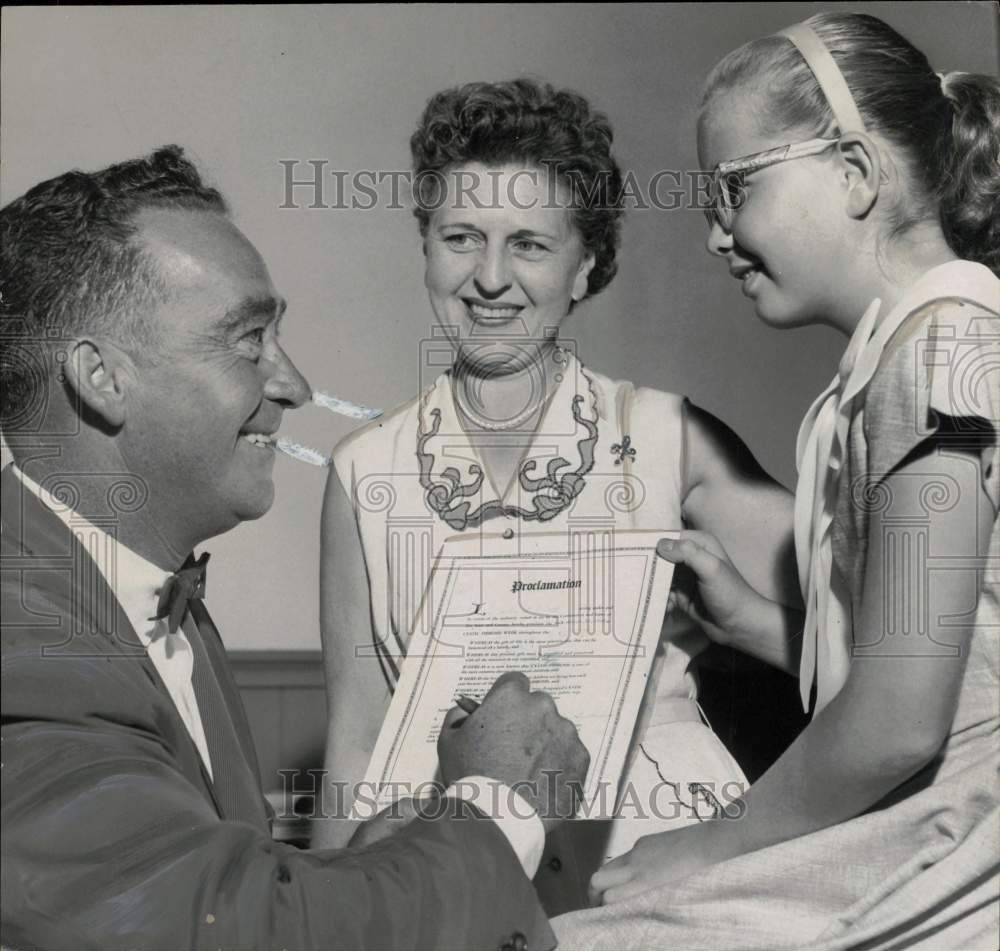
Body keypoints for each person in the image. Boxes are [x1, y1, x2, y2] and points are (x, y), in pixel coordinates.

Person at [0, 145, 592, 951]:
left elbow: (204, 890)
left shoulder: (142, 594)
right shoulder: (24, 641)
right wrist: (500, 803)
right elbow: (245, 931)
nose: (295, 386)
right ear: (101, 377)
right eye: (249, 341)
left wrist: (389, 854)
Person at [555, 12, 999, 949]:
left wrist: (710, 842)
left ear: (855, 171)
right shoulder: (916, 350)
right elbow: (938, 656)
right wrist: (756, 622)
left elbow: (898, 724)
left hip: (952, 852)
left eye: (736, 189)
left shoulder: (941, 350)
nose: (717, 236)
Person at [316, 78, 801, 912]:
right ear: (425, 245)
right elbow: (356, 745)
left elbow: (878, 647)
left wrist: (752, 625)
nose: (489, 277)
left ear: (585, 266)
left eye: (530, 245)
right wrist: (322, 918)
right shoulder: (363, 469)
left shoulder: (672, 438)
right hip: (447, 854)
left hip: (657, 849)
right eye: (461, 237)